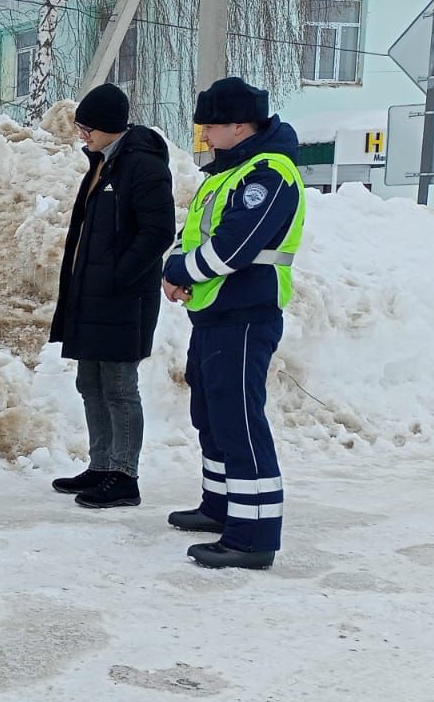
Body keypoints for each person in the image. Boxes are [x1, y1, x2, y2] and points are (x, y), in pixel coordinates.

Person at [161, 76, 306, 570]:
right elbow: (194, 233)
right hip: (215, 313)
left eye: (210, 126)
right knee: (213, 415)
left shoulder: (269, 173)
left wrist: (182, 271)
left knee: (240, 422)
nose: (203, 135)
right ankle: (220, 507)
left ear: (239, 126)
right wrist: (174, 271)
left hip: (245, 314)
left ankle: (252, 536)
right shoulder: (226, 172)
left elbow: (235, 247)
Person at [48, 83, 176, 510]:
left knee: (120, 386)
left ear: (107, 126)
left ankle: (124, 474)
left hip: (124, 298)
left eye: (86, 127)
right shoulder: (103, 163)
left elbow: (157, 231)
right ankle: (101, 465)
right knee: (91, 382)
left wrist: (120, 277)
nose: (81, 135)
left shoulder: (142, 165)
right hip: (93, 295)